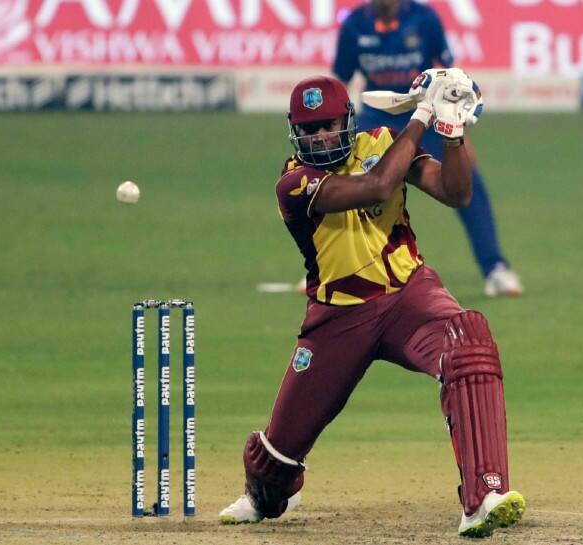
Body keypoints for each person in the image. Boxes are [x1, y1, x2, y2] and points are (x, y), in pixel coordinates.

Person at [218, 73, 525, 538]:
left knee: (469, 339)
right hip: (338, 317)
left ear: (348, 120)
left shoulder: (382, 140)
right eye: (309, 129)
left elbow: (457, 193)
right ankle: (269, 488)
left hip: (410, 297)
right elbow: (379, 186)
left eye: (328, 124)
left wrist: (454, 131)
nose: (320, 136)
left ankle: (485, 494)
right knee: (271, 466)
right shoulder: (295, 183)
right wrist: (423, 113)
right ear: (295, 134)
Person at [330, 0, 523, 297]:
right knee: (350, 189)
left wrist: (460, 136)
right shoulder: (355, 25)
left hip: (425, 115)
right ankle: (335, 270)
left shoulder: (425, 19)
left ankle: (495, 268)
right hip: (375, 116)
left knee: (467, 184)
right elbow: (339, 83)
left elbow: (448, 74)